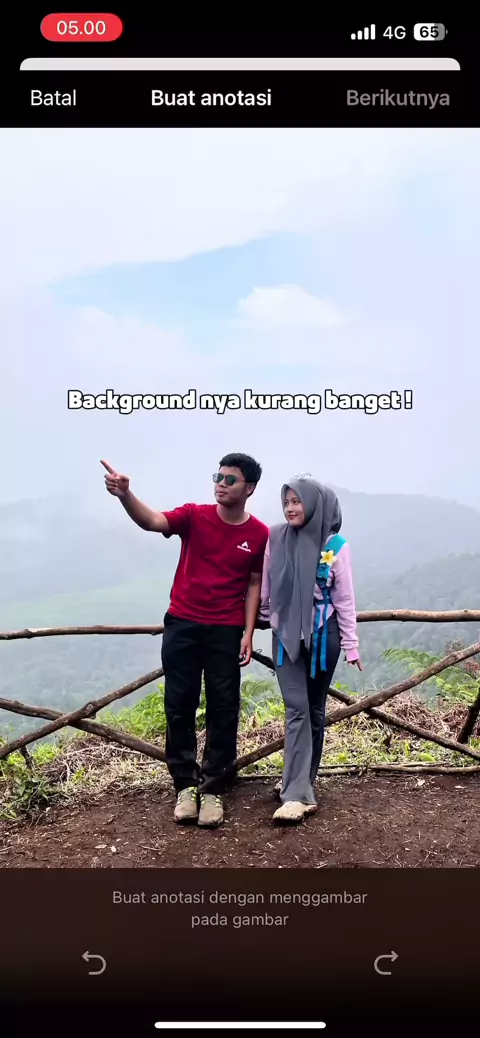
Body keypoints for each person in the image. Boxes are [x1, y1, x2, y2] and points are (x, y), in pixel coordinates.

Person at [101, 453, 268, 829]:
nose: (220, 484)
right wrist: (125, 494)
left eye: (230, 480)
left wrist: (248, 632)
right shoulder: (194, 516)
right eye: (218, 477)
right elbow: (152, 521)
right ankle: (185, 786)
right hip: (183, 624)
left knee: (224, 707)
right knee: (179, 705)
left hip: (225, 630)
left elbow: (254, 583)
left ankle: (213, 788)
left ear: (249, 488)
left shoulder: (258, 533)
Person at [259, 475, 361, 825]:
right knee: (297, 708)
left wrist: (351, 644)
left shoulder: (335, 546)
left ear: (316, 505)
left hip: (322, 636)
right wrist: (261, 618)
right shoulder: (276, 538)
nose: (289, 508)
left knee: (315, 709)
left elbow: (344, 600)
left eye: (297, 501)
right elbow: (266, 586)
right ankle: (296, 794)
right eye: (286, 502)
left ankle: (301, 781)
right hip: (286, 635)